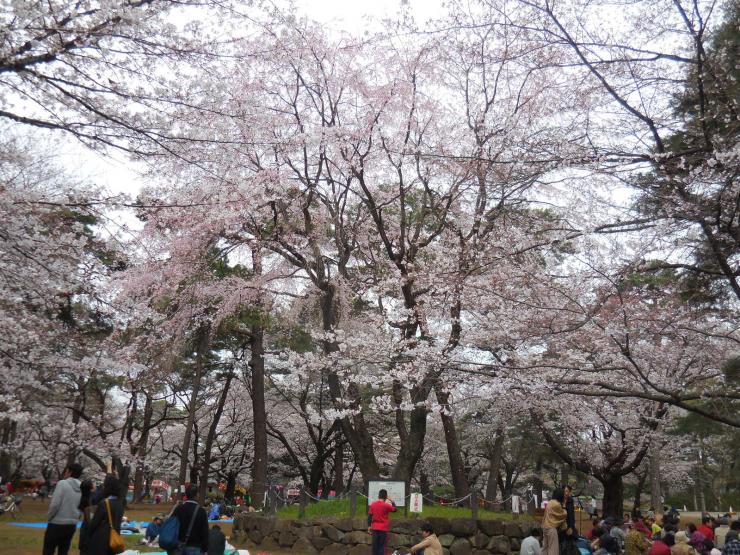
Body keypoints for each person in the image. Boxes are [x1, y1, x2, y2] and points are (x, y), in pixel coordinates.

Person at [43, 462, 84, 555]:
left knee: (48, 549)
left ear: (70, 472)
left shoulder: (62, 483)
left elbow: (55, 504)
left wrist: (49, 517)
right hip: (72, 524)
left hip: (57, 523)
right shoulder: (82, 486)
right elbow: (83, 505)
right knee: (64, 550)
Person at [86, 475, 124, 555]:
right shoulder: (120, 503)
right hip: (114, 536)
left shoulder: (104, 503)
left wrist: (88, 534)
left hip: (102, 538)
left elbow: (94, 523)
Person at [168, 484, 209, 555]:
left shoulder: (179, 509)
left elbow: (171, 525)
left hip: (179, 545)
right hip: (195, 546)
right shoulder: (201, 511)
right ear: (196, 495)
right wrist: (205, 548)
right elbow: (205, 532)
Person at [368, 488, 397, 555]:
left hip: (375, 528)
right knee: (382, 546)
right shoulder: (386, 505)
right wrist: (392, 501)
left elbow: (369, 516)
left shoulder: (373, 504)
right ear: (386, 496)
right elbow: (395, 509)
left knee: (375, 546)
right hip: (383, 529)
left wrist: (369, 526)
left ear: (379, 496)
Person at [543, 488, 568, 555]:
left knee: (545, 548)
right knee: (553, 549)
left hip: (545, 527)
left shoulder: (550, 502)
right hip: (551, 528)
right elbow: (563, 514)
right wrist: (564, 505)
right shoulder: (557, 504)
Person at [78, 480, 96, 554]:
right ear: (91, 488)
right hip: (90, 526)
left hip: (84, 525)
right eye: (93, 484)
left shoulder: (82, 497)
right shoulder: (92, 499)